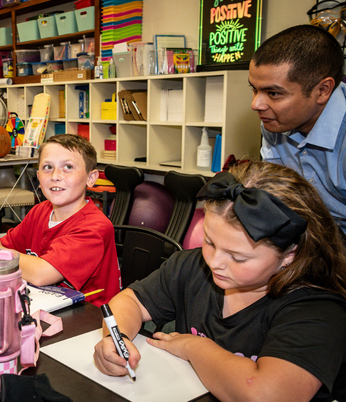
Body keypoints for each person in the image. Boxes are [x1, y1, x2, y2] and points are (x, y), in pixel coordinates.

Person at [92, 162, 346, 402]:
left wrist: (195, 347)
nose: (215, 263)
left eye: (238, 257)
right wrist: (118, 338)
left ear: (290, 254)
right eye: (209, 242)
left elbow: (267, 395)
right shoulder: (192, 267)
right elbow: (131, 300)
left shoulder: (318, 310)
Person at [0, 133, 121, 306]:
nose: (55, 176)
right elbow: (5, 244)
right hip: (46, 302)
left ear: (91, 178)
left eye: (68, 167)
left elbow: (40, 274)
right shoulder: (40, 211)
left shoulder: (94, 227)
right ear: (39, 178)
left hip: (88, 319)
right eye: (47, 167)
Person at [250, 24, 346, 240]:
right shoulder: (275, 120)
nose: (256, 104)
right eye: (254, 90)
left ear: (322, 90)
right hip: (310, 236)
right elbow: (277, 197)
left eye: (273, 93)